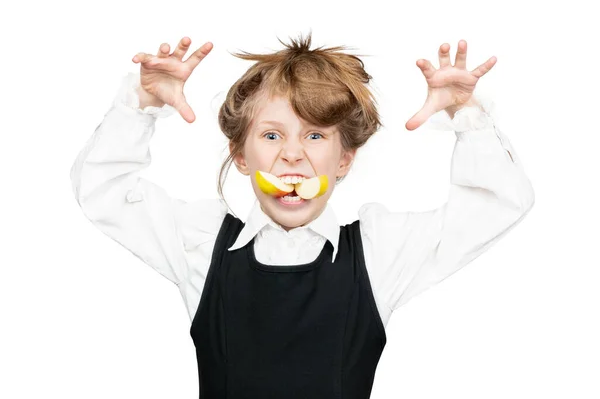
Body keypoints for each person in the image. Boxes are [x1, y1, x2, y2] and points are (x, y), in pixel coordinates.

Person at [70, 32, 535, 398]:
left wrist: (467, 116)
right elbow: (102, 191)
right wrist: (141, 105)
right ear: (241, 155)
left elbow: (498, 204)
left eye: (315, 137)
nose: (292, 156)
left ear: (344, 160)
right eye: (272, 136)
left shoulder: (377, 253)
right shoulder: (199, 243)